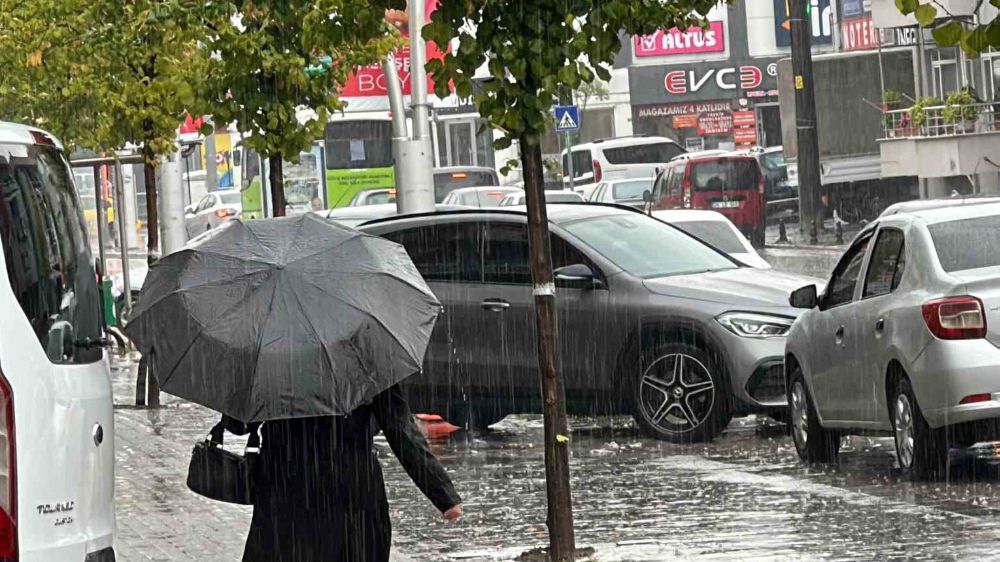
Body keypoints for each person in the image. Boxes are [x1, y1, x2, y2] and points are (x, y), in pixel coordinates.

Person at [225, 384, 462, 562]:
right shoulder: (363, 350)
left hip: (285, 493)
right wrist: (443, 494)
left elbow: (237, 424)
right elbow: (399, 427)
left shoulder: (271, 350)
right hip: (351, 496)